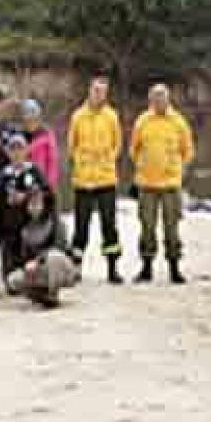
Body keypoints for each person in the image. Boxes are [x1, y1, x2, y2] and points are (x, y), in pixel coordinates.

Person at [130, 83, 195, 284]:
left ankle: (174, 268)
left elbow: (188, 150)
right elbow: (134, 149)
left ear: (168, 100)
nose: (159, 101)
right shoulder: (142, 121)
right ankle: (146, 267)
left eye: (162, 98)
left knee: (172, 228)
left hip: (171, 185)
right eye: (155, 98)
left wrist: (176, 169)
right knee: (147, 227)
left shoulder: (179, 122)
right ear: (150, 101)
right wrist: (143, 166)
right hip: (147, 185)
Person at [68, 76, 125, 284]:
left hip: (106, 180)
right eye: (96, 90)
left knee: (109, 226)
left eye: (103, 91)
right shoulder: (78, 116)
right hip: (83, 181)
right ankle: (75, 268)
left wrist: (107, 159)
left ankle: (112, 268)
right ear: (89, 91)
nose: (99, 94)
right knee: (81, 228)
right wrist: (81, 162)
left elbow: (118, 144)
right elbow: (71, 145)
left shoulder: (112, 116)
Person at [7, 183, 81, 309]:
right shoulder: (23, 227)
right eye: (31, 204)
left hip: (61, 267)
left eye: (37, 203)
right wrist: (25, 265)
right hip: (38, 270)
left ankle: (52, 293)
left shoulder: (56, 222)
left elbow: (59, 247)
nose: (34, 208)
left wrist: (38, 260)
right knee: (13, 279)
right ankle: (40, 295)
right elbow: (20, 256)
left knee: (54, 257)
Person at [0, 136, 47, 290]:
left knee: (32, 256)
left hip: (30, 224)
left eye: (20, 149)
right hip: (9, 225)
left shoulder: (34, 171)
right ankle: (11, 279)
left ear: (26, 151)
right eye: (13, 150)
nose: (17, 154)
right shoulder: (3, 175)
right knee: (10, 257)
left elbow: (47, 193)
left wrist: (28, 196)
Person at [21, 99, 59, 188]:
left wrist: (50, 184)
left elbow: (53, 161)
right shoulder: (20, 136)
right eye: (27, 114)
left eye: (33, 114)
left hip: (42, 182)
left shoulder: (47, 135)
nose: (30, 118)